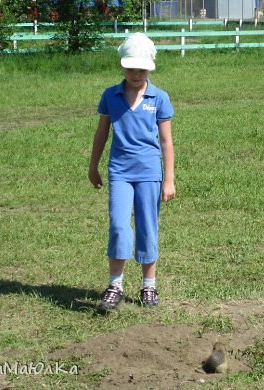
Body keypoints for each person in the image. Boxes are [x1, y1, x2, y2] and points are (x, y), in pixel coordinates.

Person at [88, 32, 176, 312]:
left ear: (150, 68)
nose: (136, 74)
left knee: (148, 228)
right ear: (122, 66)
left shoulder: (159, 98)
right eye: (130, 68)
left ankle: (149, 285)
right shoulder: (110, 96)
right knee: (118, 225)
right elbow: (102, 133)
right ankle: (115, 284)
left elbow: (166, 141)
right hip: (120, 172)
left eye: (142, 69)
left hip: (150, 173)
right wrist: (93, 166)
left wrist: (169, 178)